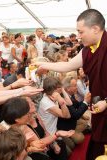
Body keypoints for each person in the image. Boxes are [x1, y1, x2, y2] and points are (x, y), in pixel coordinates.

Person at [34, 9, 107, 159]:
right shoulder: (87, 50)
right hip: (98, 105)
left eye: (81, 32)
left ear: (95, 29)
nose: (79, 37)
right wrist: (45, 65)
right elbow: (68, 66)